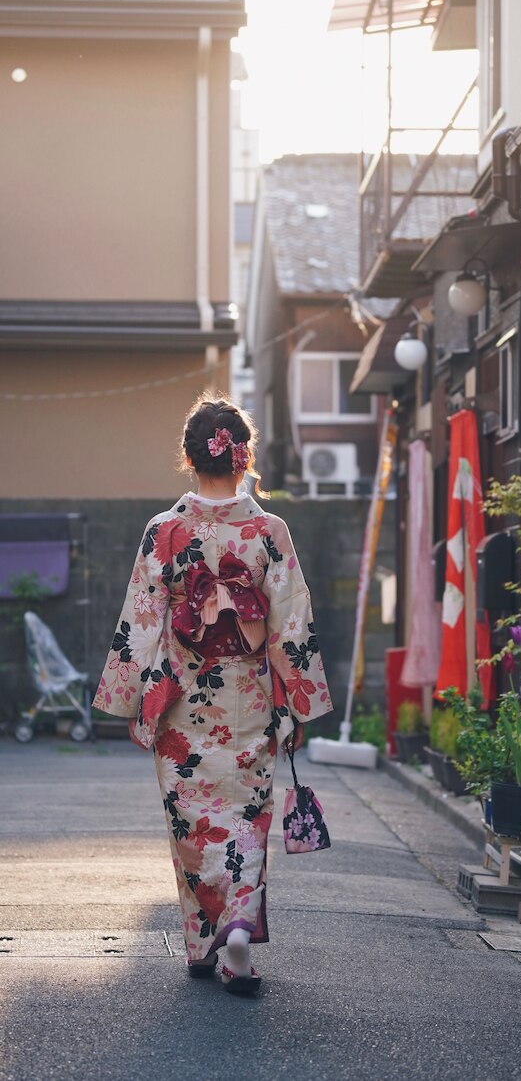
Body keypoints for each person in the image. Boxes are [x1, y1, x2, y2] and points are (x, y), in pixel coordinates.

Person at [93, 394, 333, 995]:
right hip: (250, 701)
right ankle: (233, 937)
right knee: (248, 819)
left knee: (194, 824)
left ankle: (211, 941)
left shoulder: (165, 531)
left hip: (181, 705)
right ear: (242, 454)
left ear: (189, 455)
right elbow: (290, 626)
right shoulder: (269, 531)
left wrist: (134, 702)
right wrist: (297, 706)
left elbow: (141, 622)